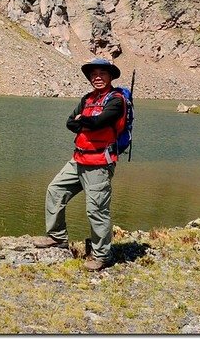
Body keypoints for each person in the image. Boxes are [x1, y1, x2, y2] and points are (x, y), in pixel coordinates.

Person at [32, 58, 128, 271]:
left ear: (110, 76)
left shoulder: (117, 100)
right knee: (55, 190)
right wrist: (85, 120)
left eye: (102, 73)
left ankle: (102, 255)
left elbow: (100, 121)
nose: (97, 77)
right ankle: (57, 237)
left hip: (99, 163)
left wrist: (82, 120)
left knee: (96, 210)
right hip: (78, 159)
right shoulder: (87, 99)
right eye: (93, 74)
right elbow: (69, 123)